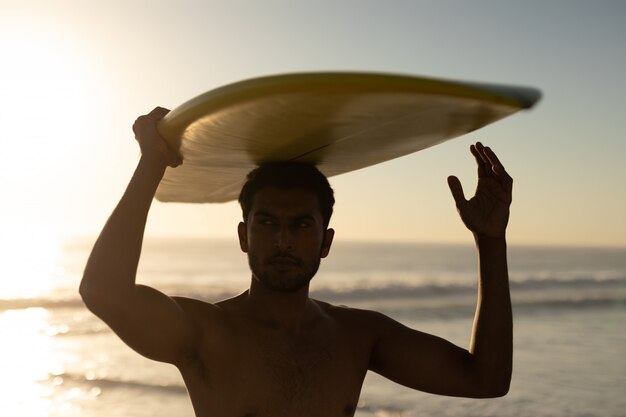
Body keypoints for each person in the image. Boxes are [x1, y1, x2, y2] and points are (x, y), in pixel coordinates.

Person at [80, 106, 513, 417]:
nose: (283, 239)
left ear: (325, 242)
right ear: (243, 237)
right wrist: (152, 161)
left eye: (301, 225)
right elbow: (103, 291)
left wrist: (490, 243)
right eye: (266, 223)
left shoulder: (357, 336)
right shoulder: (206, 333)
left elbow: (485, 380)